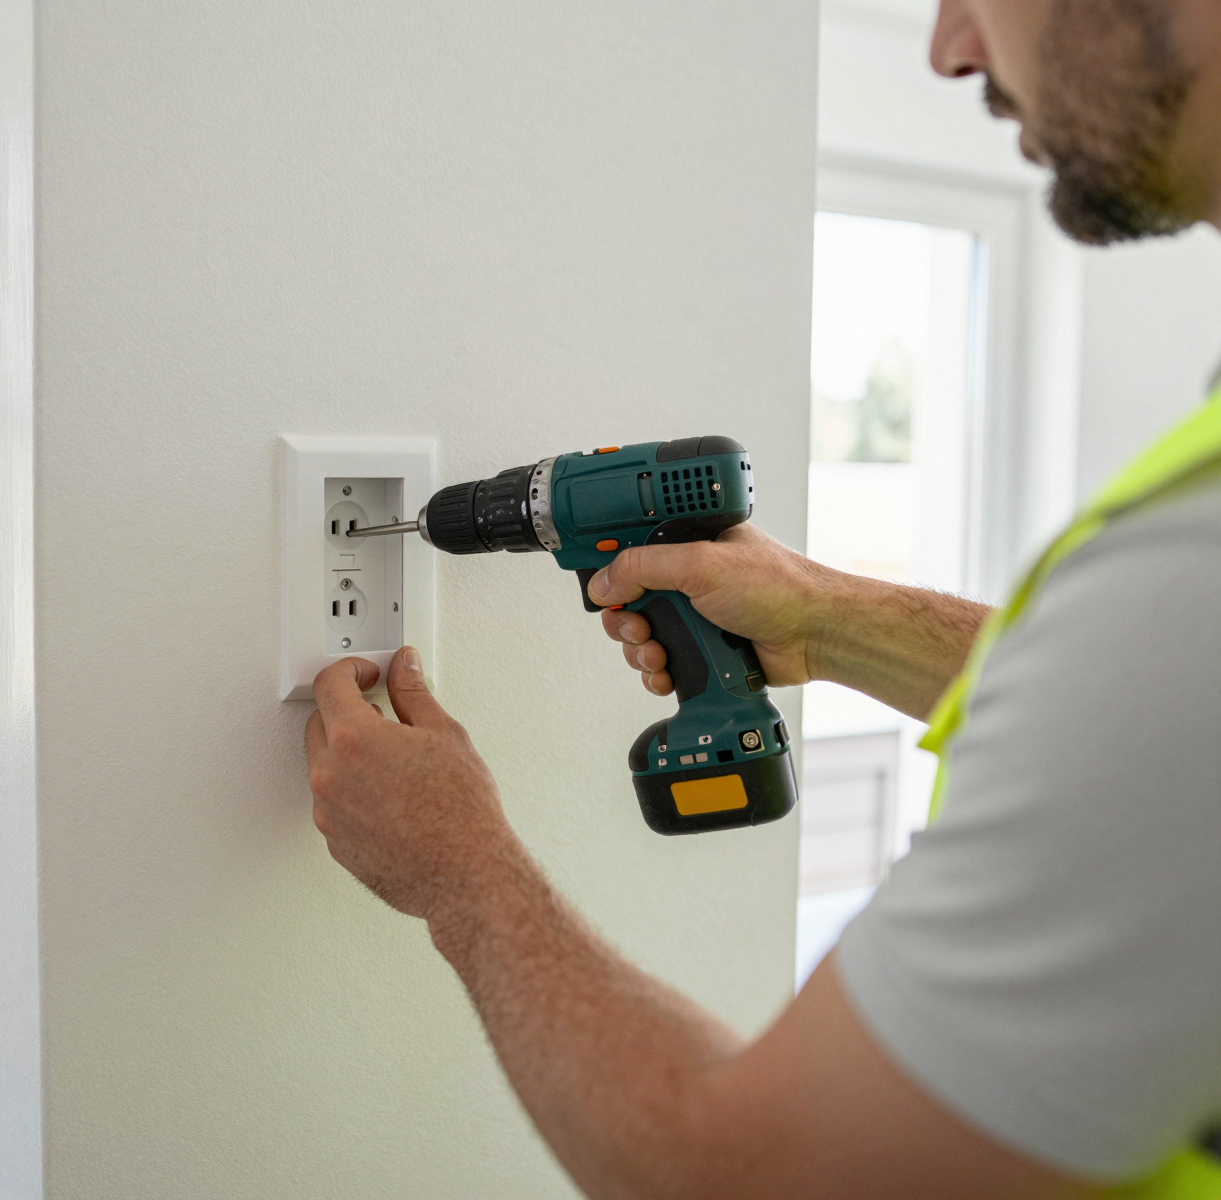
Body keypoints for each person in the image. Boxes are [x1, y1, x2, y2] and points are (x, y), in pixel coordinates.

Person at [302, 1, 1221, 1196]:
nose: (945, 46)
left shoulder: (1185, 578)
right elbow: (1133, 722)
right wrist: (828, 615)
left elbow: (746, 1175)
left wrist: (459, 870)